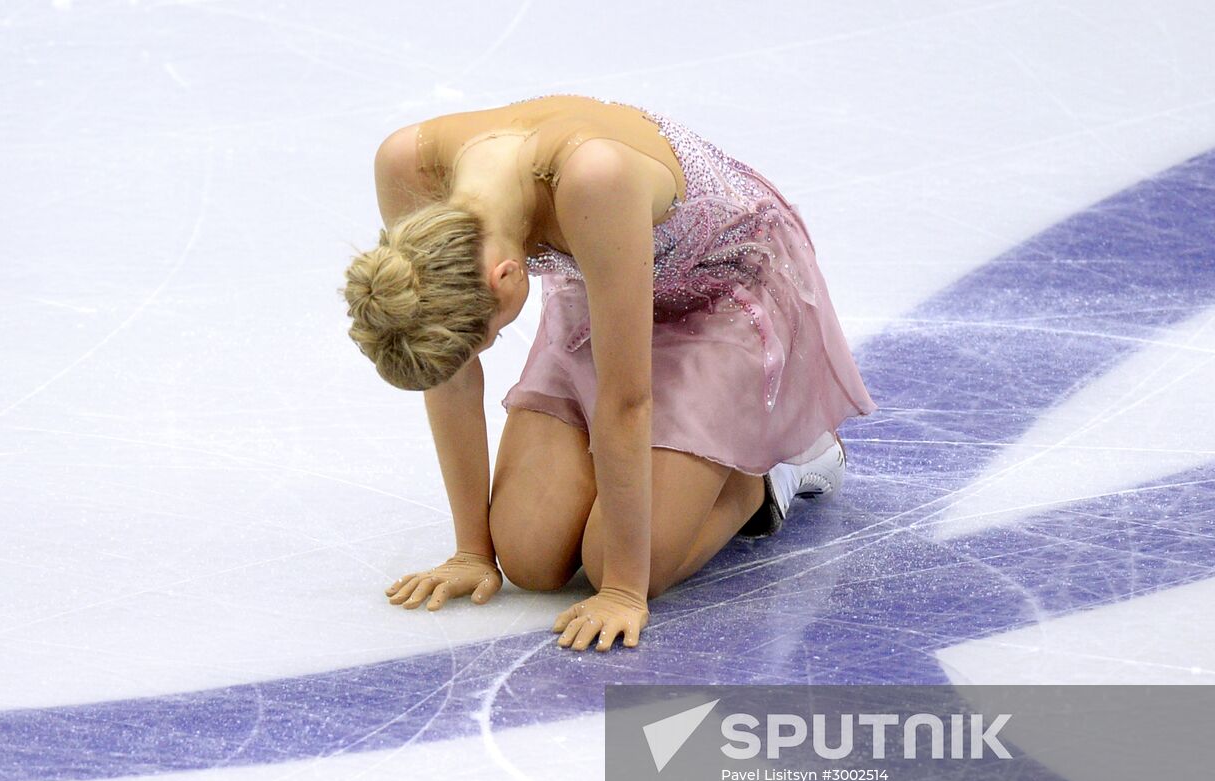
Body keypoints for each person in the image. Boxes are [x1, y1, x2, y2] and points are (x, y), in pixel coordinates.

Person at [341, 94, 877, 653]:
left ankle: (767, 468)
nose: (488, 347)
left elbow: (626, 402)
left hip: (724, 293)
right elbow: (450, 372)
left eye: (490, 337)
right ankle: (680, 471)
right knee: (528, 557)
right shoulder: (407, 165)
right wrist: (472, 552)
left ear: (505, 276)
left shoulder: (594, 181)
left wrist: (623, 589)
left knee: (624, 562)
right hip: (608, 283)